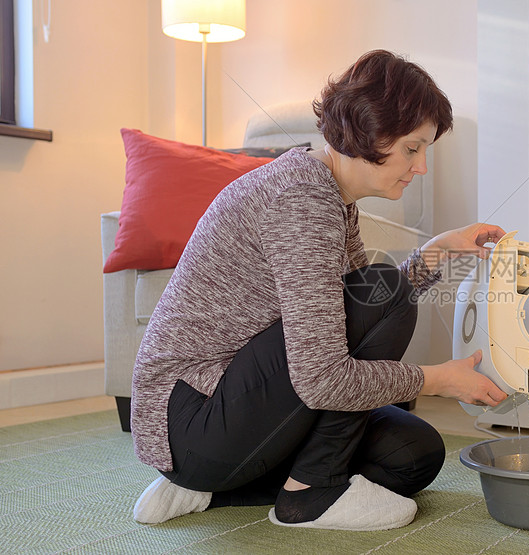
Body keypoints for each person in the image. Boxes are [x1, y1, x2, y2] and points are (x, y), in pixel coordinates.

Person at [130, 49, 508, 531]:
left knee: (415, 454)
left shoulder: (328, 193)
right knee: (385, 292)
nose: (422, 167)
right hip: (195, 417)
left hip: (236, 414)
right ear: (370, 130)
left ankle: (215, 489)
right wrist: (438, 379)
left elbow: (358, 310)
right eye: (413, 149)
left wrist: (439, 250)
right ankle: (309, 495)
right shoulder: (302, 197)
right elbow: (324, 373)